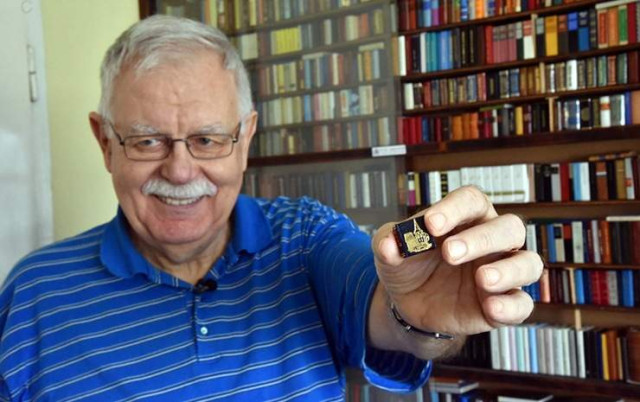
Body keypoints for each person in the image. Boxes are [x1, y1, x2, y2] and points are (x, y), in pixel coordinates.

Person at [0, 15, 542, 401]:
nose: (181, 171)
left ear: (246, 138)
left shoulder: (305, 238)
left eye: (208, 139)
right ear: (105, 143)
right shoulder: (33, 295)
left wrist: (420, 316)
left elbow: (388, 306)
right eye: (146, 141)